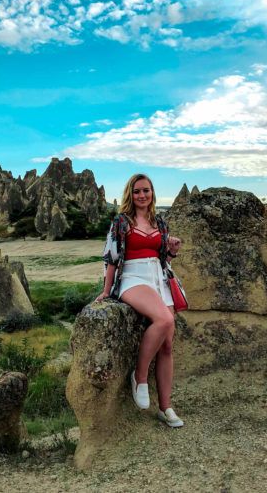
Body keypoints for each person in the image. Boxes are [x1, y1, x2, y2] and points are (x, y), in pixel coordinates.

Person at [95, 173, 184, 428]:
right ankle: (140, 376)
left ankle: (165, 408)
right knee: (164, 319)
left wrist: (171, 252)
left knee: (167, 344)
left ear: (152, 193)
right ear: (130, 195)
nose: (142, 195)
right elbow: (111, 257)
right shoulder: (121, 222)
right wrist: (107, 290)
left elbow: (162, 258)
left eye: (146, 190)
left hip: (159, 279)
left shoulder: (161, 222)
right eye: (137, 191)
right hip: (133, 278)